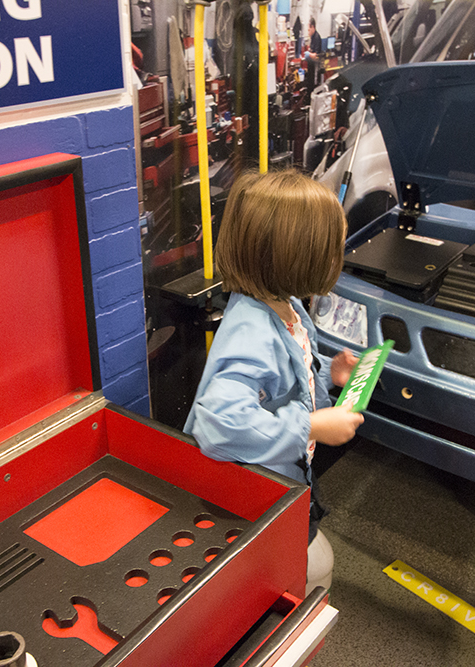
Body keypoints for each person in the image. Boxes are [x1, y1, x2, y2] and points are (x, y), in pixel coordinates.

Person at [184, 169, 363, 594]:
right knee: (283, 571)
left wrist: (329, 378)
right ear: (298, 257)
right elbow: (219, 425)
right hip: (257, 489)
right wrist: (312, 428)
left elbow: (294, 384)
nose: (340, 257)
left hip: (289, 471)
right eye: (333, 250)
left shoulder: (288, 309)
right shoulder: (253, 332)